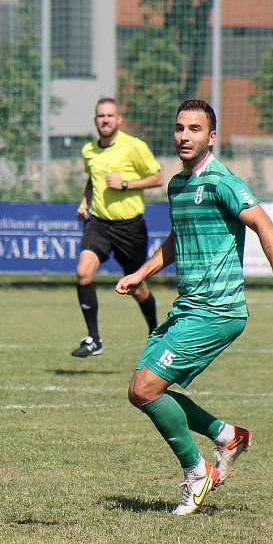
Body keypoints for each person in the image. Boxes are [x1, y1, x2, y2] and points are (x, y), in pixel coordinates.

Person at [116, 99, 273, 515]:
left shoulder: (223, 181)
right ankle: (226, 436)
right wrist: (141, 272)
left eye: (194, 129)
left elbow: (263, 224)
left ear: (211, 137)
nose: (184, 136)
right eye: (180, 128)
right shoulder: (177, 185)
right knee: (143, 392)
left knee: (147, 388)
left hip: (218, 311)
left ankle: (196, 471)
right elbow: (176, 239)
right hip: (188, 307)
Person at [72, 97, 163, 358]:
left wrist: (125, 183)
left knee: (137, 286)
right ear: (95, 120)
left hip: (130, 226)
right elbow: (93, 179)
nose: (105, 120)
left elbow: (157, 177)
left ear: (119, 120)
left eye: (110, 116)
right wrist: (84, 202)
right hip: (98, 223)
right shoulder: (89, 150)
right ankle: (94, 339)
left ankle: (155, 333)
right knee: (83, 273)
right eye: (101, 116)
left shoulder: (134, 146)